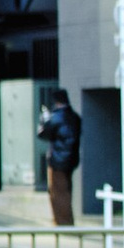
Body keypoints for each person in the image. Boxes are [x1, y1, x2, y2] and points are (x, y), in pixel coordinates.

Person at [38, 86, 83, 225]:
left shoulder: (56, 117)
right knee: (67, 190)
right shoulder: (74, 116)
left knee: (58, 192)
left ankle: (62, 223)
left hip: (57, 159)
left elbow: (43, 133)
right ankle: (67, 220)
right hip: (72, 159)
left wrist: (44, 120)